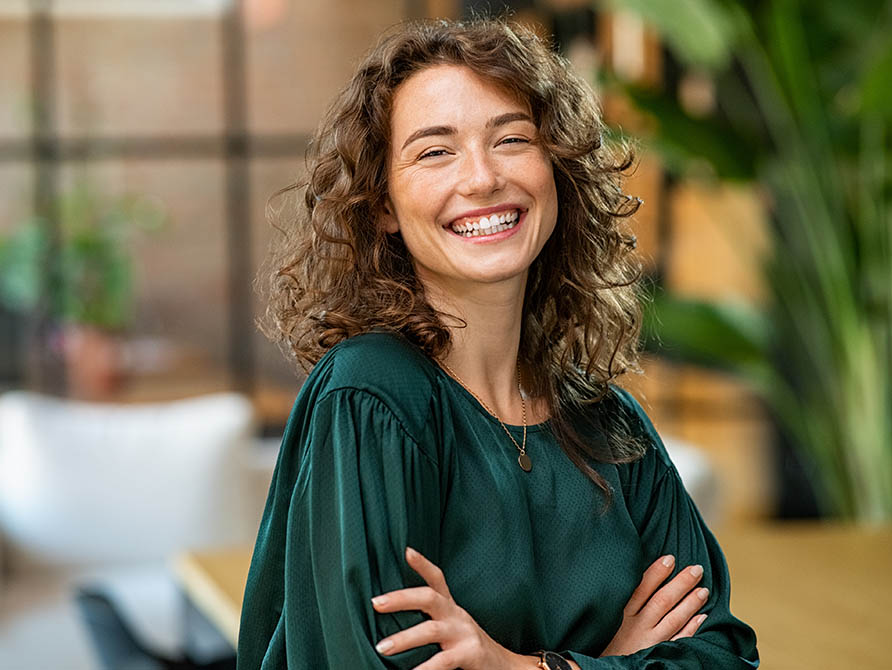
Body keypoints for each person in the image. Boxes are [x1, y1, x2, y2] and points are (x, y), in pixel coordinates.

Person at [237, 16, 758, 670]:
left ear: (555, 170)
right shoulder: (371, 397)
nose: (482, 178)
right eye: (435, 151)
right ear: (383, 205)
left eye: (511, 139)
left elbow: (722, 656)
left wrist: (523, 666)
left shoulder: (609, 425)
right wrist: (616, 660)